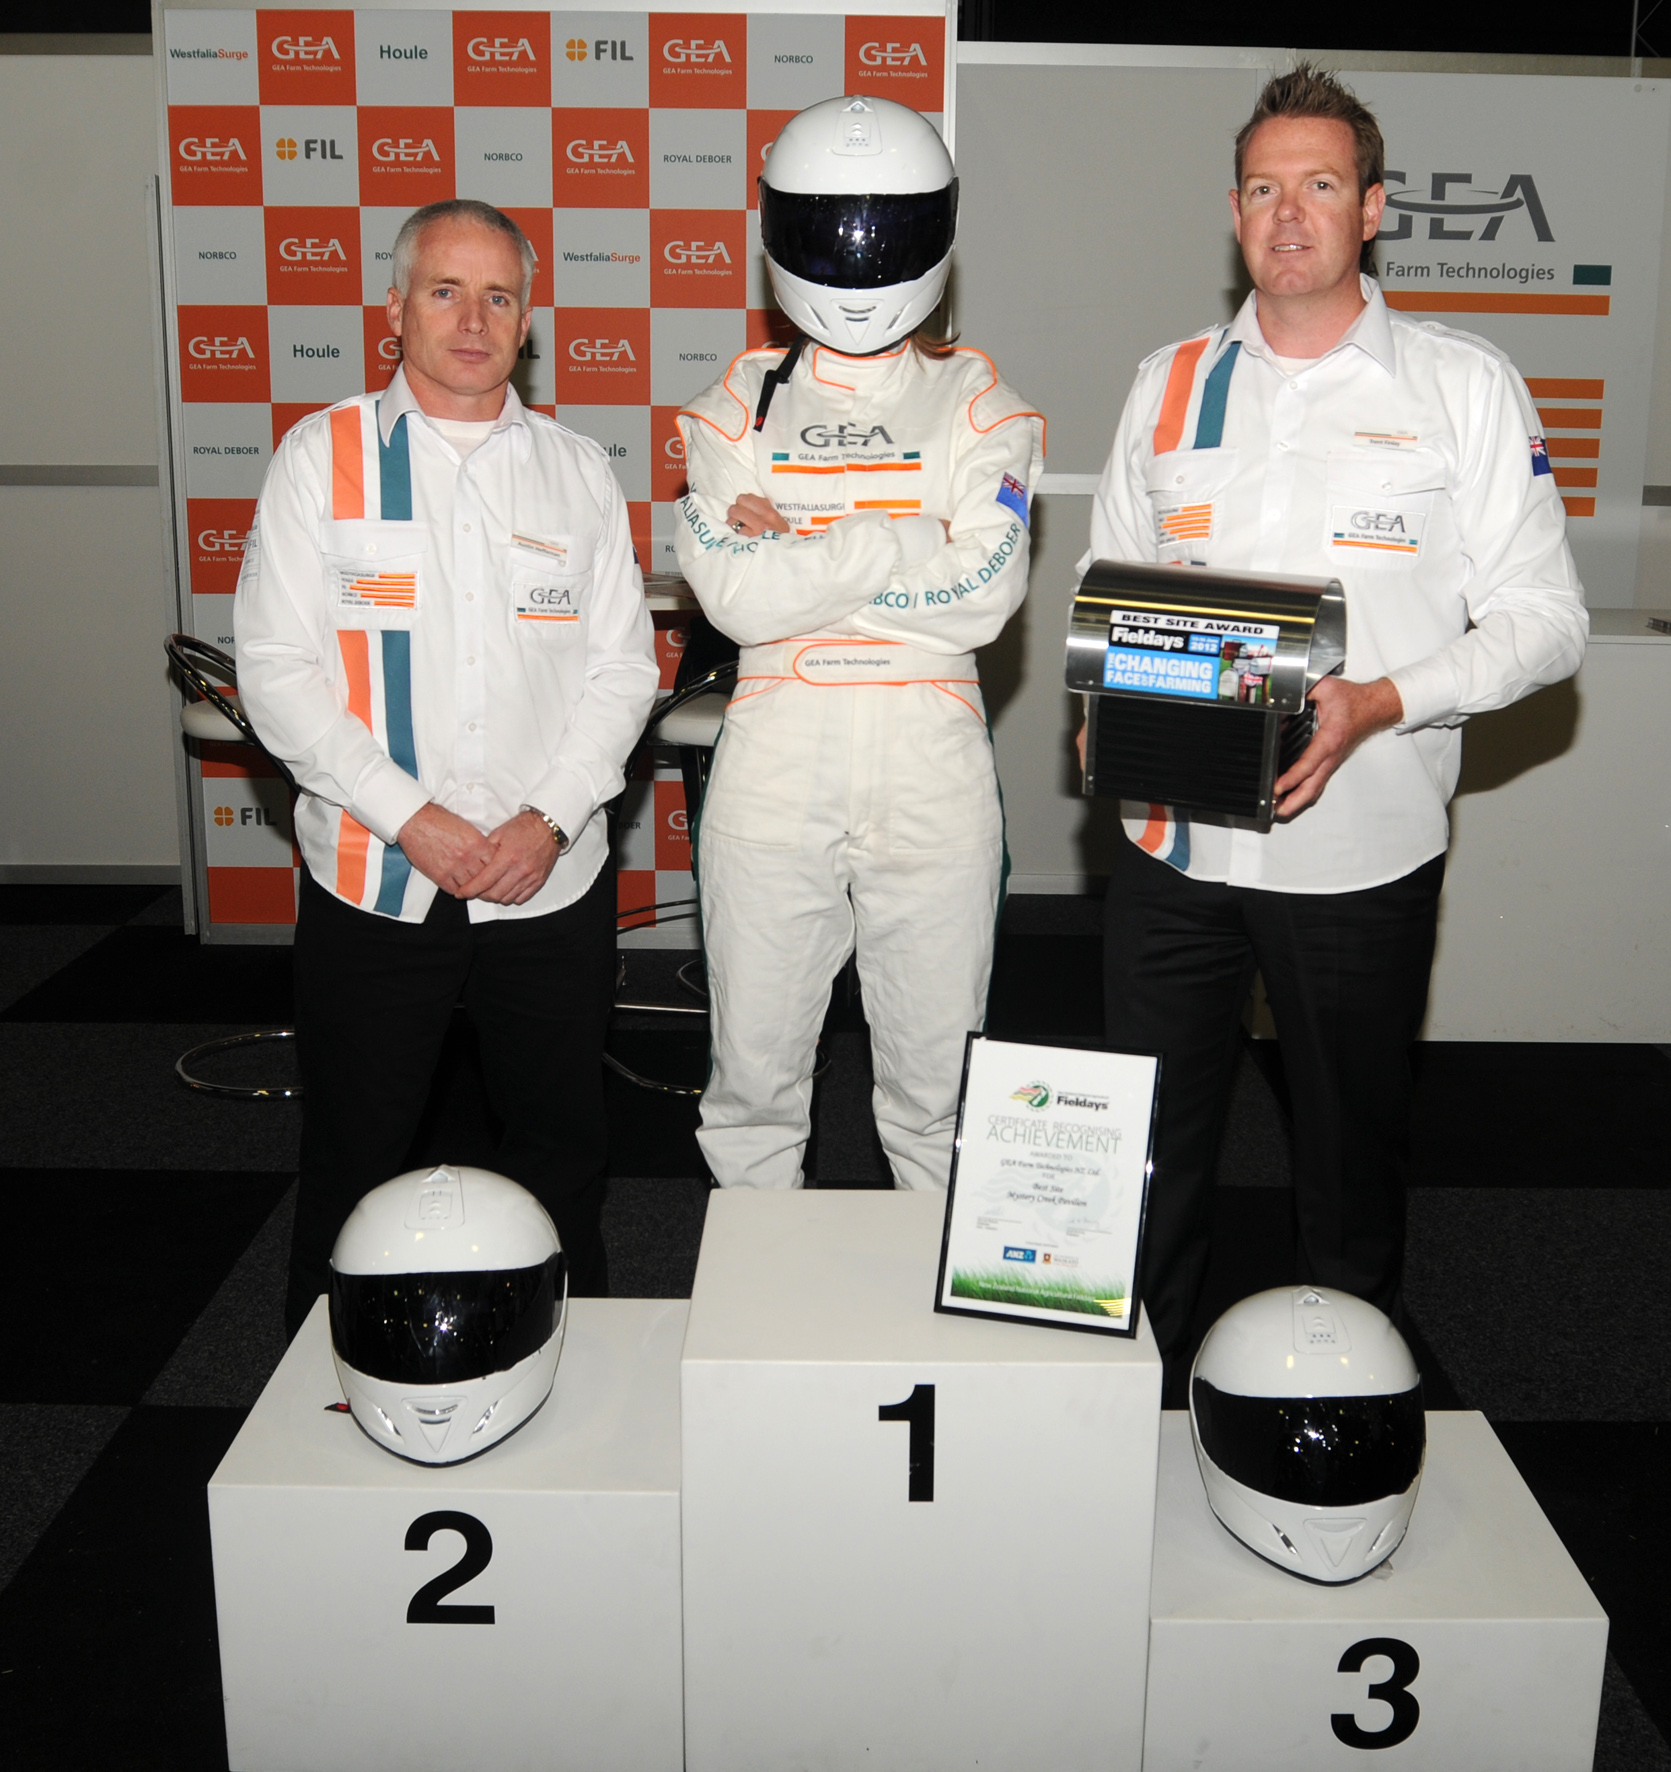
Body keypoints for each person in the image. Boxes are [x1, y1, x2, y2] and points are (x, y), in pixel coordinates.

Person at [1080, 66, 1587, 1394]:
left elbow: (1543, 625)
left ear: (1369, 211)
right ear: (1232, 212)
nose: (1285, 213)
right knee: (1149, 1148)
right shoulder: (1168, 383)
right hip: (1169, 843)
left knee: (1347, 1162)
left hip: (1357, 854)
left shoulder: (1459, 387)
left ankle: (1337, 1405)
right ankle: (1125, 1399)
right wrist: (1105, 710)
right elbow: (1118, 586)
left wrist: (1379, 699)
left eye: (1316, 186)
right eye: (1260, 187)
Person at [235, 199, 659, 1335]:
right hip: (376, 883)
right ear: (394, 310)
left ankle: (586, 1391)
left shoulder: (576, 472)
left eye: (500, 295)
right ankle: (320, 1412)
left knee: (564, 1162)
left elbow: (623, 673)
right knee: (351, 1164)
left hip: (547, 885)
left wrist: (551, 817)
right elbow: (274, 672)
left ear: (528, 320)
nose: (474, 319)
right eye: (445, 290)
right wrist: (408, 816)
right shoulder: (316, 459)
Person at [674, 95, 1045, 1191]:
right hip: (773, 761)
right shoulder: (735, 401)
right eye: (830, 225)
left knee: (939, 1097)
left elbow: (986, 594)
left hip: (930, 769)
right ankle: (758, 1335)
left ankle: (937, 1347)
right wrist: (906, 534)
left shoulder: (978, 396)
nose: (856, 255)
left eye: (885, 226)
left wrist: (810, 545)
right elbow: (735, 598)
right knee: (751, 1088)